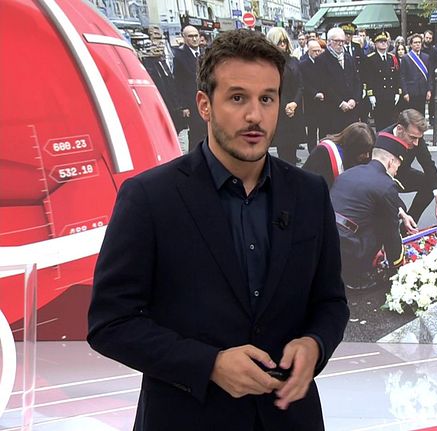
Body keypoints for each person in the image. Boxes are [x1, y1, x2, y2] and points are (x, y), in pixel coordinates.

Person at [87, 29, 350, 430]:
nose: (255, 115)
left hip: (290, 417)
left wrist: (315, 344)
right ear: (204, 105)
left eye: (267, 99)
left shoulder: (309, 193)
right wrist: (208, 364)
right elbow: (111, 322)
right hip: (186, 418)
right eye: (238, 98)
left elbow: (331, 302)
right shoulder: (149, 197)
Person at [330, 135, 415, 289]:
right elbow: (391, 232)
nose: (397, 172)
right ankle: (356, 276)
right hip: (347, 249)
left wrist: (400, 212)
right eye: (398, 166)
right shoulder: (386, 184)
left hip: (325, 238)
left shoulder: (350, 172)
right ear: (391, 162)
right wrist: (397, 266)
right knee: (383, 224)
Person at [379, 109, 437, 225]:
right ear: (400, 129)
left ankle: (409, 227)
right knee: (397, 210)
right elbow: (377, 180)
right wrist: (400, 210)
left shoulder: (416, 137)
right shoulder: (382, 140)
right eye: (412, 138)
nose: (416, 143)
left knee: (429, 184)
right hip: (382, 182)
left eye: (418, 138)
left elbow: (428, 165)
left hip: (402, 175)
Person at [267, 27, 306, 165]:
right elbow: (270, 89)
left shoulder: (294, 61)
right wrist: (286, 106)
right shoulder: (268, 64)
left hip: (294, 109)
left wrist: (294, 103)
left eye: (284, 41)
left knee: (293, 150)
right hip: (278, 110)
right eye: (279, 42)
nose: (283, 44)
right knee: (283, 151)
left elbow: (300, 85)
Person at [315, 27, 362, 135]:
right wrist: (340, 103)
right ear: (329, 42)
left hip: (351, 109)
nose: (340, 44)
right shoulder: (321, 60)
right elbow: (324, 85)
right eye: (337, 41)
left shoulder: (348, 58)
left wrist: (354, 99)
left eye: (342, 41)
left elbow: (357, 81)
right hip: (332, 111)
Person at [303, 122, 375, 188]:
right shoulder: (324, 153)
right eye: (363, 152)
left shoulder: (363, 159)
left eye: (368, 151)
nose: (367, 155)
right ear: (353, 146)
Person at [173, 25, 207, 152]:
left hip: (207, 98)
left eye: (196, 36)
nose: (194, 39)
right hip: (192, 101)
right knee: (196, 132)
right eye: (190, 36)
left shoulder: (205, 53)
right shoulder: (179, 56)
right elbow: (178, 83)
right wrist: (183, 106)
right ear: (184, 38)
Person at [362, 31, 402, 131]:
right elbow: (368, 78)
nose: (383, 43)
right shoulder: (370, 59)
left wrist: (397, 92)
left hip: (391, 95)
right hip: (378, 96)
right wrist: (371, 95)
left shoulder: (392, 58)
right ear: (375, 44)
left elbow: (397, 76)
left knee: (391, 123)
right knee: (380, 124)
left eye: (385, 41)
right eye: (380, 41)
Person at [299, 40, 325, 151]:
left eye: (319, 51)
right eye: (314, 51)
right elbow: (303, 83)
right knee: (312, 129)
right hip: (311, 101)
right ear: (309, 51)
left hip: (324, 100)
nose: (317, 53)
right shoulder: (303, 65)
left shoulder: (323, 63)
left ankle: (324, 150)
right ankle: (312, 151)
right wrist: (314, 93)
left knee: (324, 127)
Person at [400, 33, 432, 115]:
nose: (417, 44)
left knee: (421, 114)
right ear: (411, 44)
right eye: (415, 42)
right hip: (411, 92)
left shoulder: (426, 57)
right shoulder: (406, 58)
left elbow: (429, 75)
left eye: (419, 42)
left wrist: (429, 90)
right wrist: (405, 92)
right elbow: (402, 77)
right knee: (412, 115)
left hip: (423, 91)